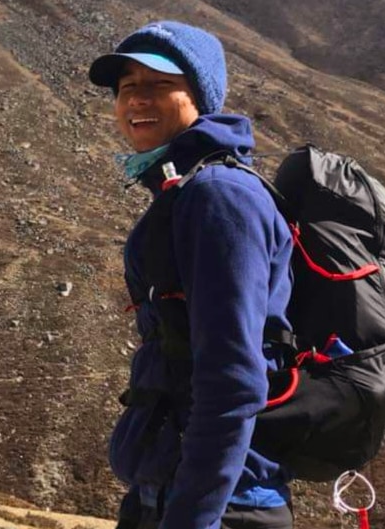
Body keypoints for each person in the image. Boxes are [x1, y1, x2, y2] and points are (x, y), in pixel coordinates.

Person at [88, 21, 294, 529]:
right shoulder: (186, 189)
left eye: (159, 85)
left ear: (200, 95)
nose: (138, 100)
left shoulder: (216, 196)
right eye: (128, 87)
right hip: (176, 491)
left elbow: (233, 379)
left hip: (220, 504)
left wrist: (193, 517)